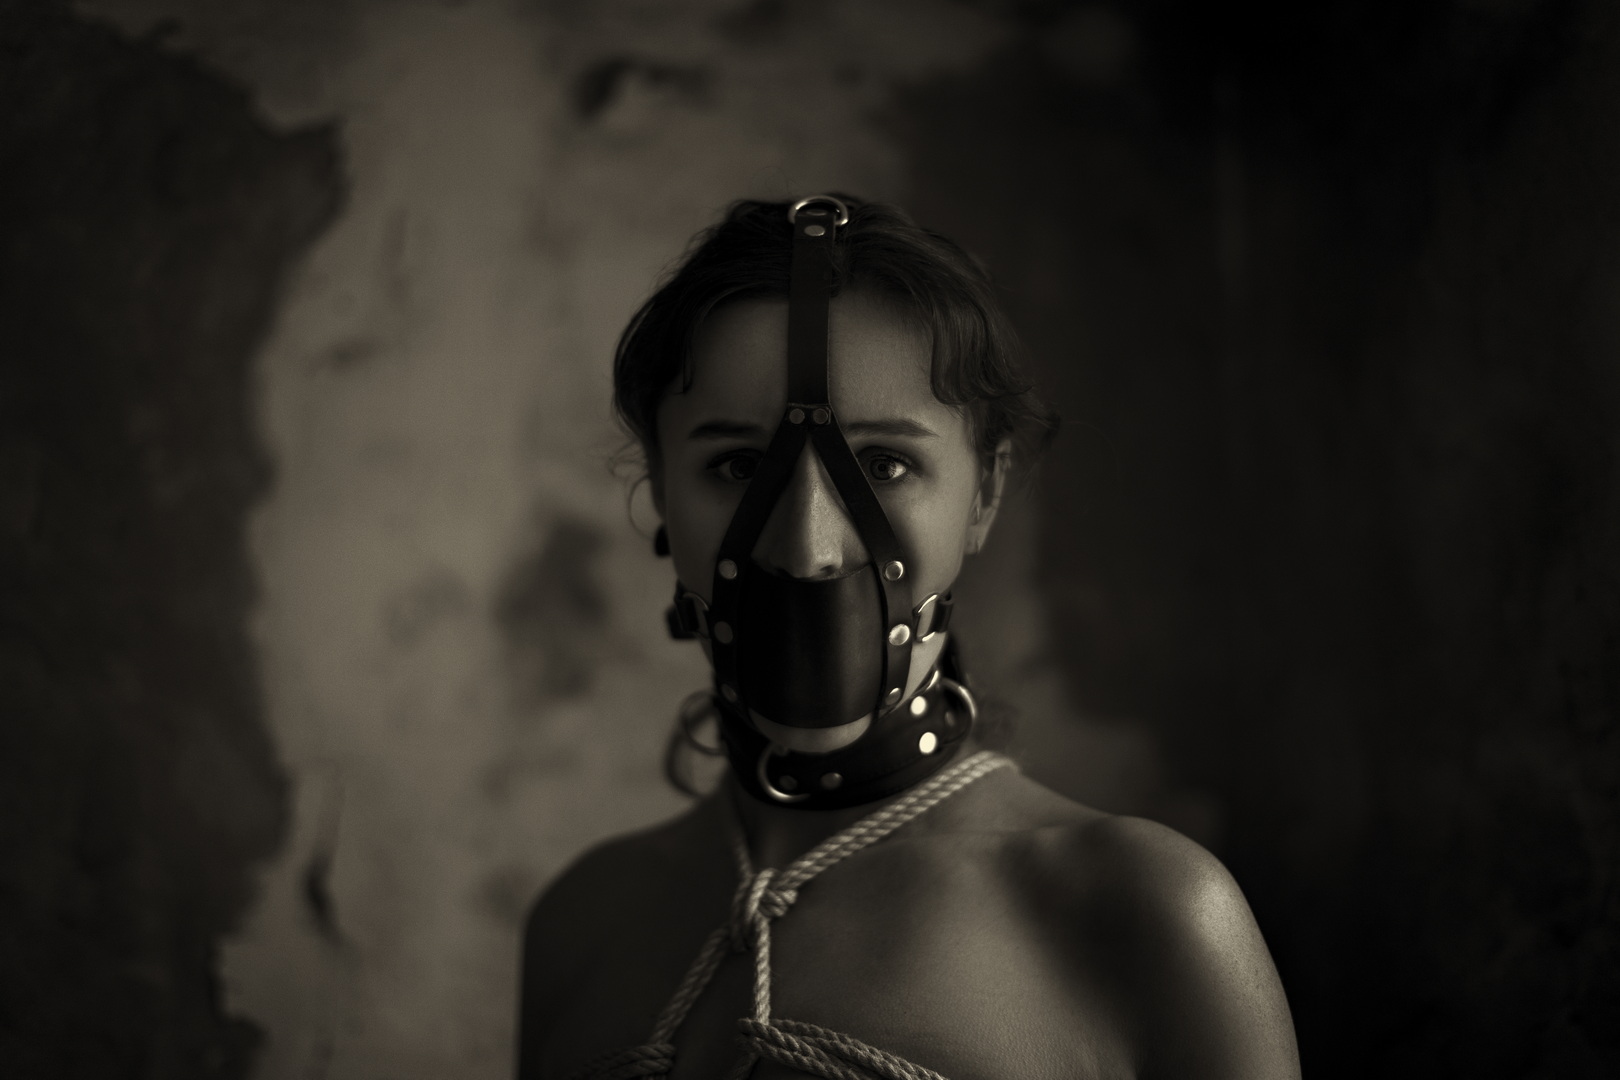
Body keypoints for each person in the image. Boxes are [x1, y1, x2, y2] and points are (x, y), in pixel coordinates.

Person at [517, 195, 1300, 1080]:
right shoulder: (583, 922)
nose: (808, 550)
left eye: (885, 464)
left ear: (984, 494)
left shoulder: (1142, 911)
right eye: (736, 466)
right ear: (662, 491)